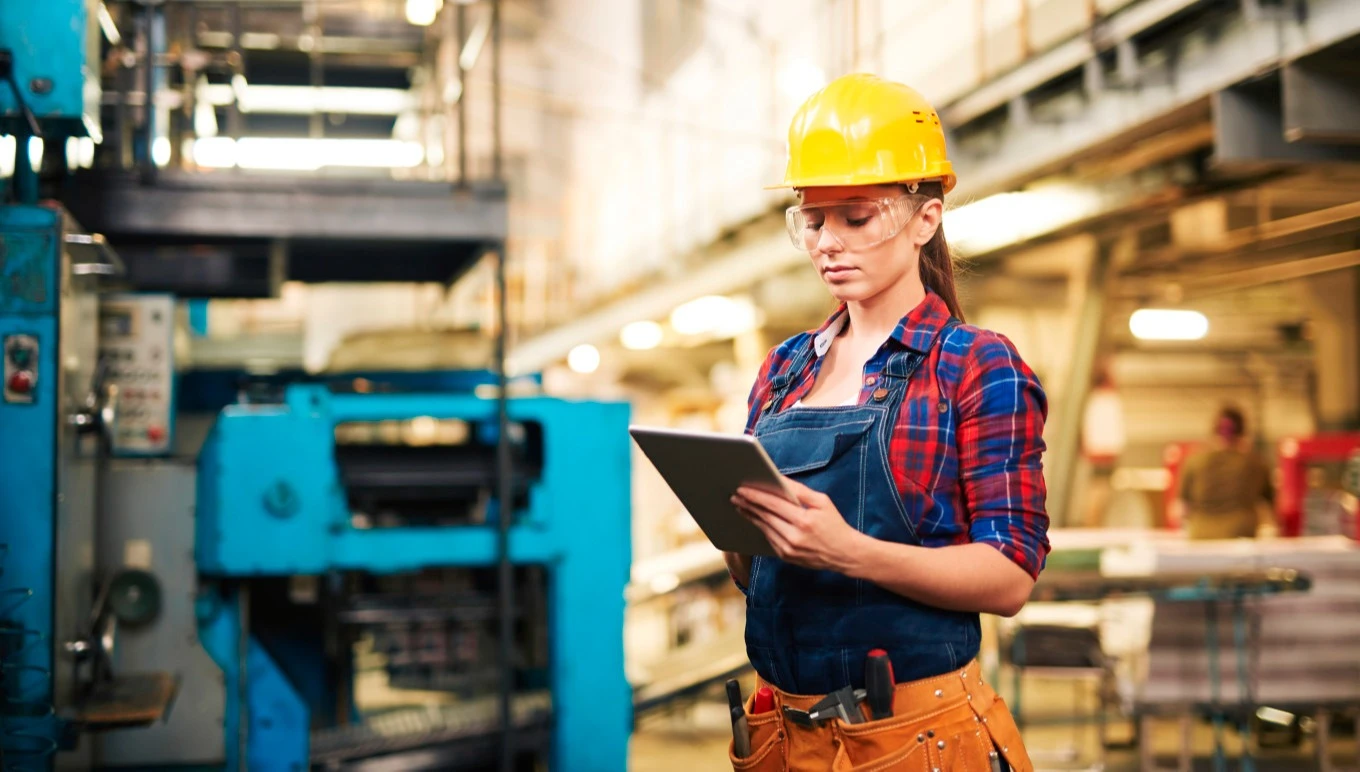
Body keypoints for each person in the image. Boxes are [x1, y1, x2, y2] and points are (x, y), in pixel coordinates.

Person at [720, 73, 1049, 771]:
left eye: (856, 218)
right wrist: (737, 530)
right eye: (812, 221)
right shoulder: (783, 371)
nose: (827, 244)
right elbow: (759, 580)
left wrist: (848, 550)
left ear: (924, 218)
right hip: (785, 735)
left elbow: (1011, 576)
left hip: (916, 740)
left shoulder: (973, 366)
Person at [1174, 404, 1276, 540]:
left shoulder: (1194, 461)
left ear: (1214, 430)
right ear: (1242, 432)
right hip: (1240, 536)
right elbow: (1271, 507)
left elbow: (1181, 509)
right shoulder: (1256, 463)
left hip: (1200, 536)